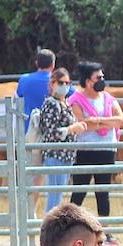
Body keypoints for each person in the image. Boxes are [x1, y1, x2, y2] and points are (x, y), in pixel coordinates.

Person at [69, 61, 123, 237]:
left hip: (107, 150)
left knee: (103, 191)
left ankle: (104, 231)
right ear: (87, 81)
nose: (102, 80)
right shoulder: (76, 100)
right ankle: (69, 229)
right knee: (79, 190)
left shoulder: (108, 98)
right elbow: (83, 124)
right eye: (98, 77)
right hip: (85, 151)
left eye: (102, 76)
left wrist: (98, 121)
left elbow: (121, 120)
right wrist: (105, 121)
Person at [39, 68, 88, 213]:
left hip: (66, 156)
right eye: (61, 82)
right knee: (54, 196)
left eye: (68, 82)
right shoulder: (51, 104)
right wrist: (73, 128)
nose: (65, 85)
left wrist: (76, 128)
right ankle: (50, 231)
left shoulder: (65, 104)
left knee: (58, 195)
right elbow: (51, 131)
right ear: (52, 83)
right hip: (55, 155)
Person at [18, 48, 57, 213]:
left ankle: (30, 211)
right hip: (52, 135)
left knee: (32, 175)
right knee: (53, 178)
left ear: (36, 63)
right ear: (53, 65)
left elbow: (19, 95)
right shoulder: (56, 81)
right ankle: (49, 212)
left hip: (30, 133)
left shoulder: (25, 80)